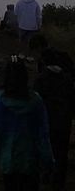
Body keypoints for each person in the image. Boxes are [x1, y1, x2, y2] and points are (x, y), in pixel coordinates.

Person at [0, 57, 54, 191]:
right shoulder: (36, 101)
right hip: (30, 161)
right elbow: (43, 134)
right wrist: (47, 160)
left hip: (8, 160)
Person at [31, 36, 75, 191]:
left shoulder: (42, 80)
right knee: (61, 152)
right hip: (64, 120)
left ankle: (47, 174)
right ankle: (58, 182)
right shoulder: (67, 79)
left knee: (46, 147)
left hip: (47, 119)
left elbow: (36, 100)